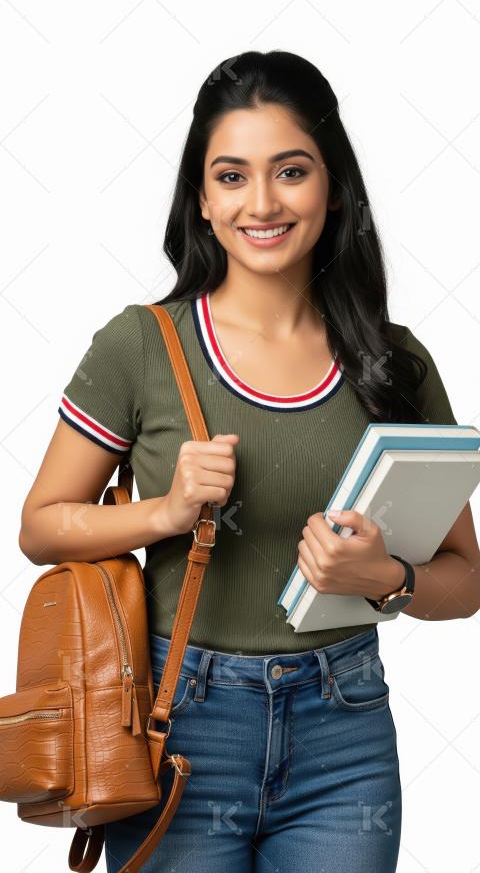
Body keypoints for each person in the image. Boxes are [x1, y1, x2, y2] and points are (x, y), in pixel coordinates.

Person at [19, 50, 479, 873]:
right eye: (231, 176)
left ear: (333, 185)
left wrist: (383, 576)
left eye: (291, 171)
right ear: (201, 198)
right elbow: (41, 528)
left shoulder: (395, 365)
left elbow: (467, 579)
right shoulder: (141, 345)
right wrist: (163, 512)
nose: (261, 203)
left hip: (346, 736)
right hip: (176, 727)